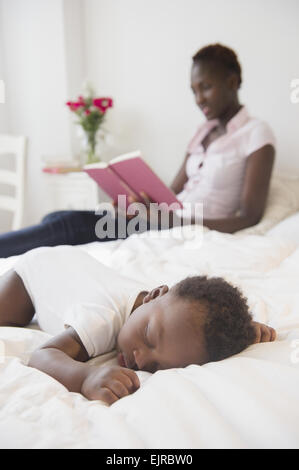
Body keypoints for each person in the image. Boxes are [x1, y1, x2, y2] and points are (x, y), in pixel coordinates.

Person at [0, 43, 276, 258]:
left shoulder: (256, 133)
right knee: (56, 217)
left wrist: (180, 222)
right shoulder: (202, 132)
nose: (198, 98)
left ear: (232, 81)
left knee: (68, 225)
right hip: (165, 220)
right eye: (193, 90)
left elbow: (250, 216)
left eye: (205, 87)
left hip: (186, 229)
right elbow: (170, 193)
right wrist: (139, 203)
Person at [0, 245, 276, 405]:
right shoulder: (102, 317)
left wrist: (239, 330)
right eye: (148, 335)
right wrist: (86, 377)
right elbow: (42, 355)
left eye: (158, 366)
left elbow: (196, 316)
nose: (140, 359)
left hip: (75, 262)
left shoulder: (165, 308)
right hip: (34, 275)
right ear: (155, 294)